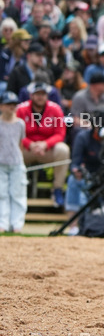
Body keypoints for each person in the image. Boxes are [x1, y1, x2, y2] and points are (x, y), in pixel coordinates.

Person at [17, 80, 70, 207]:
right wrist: (31, 144)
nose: (40, 97)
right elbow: (16, 133)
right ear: (31, 95)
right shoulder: (21, 109)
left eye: (43, 94)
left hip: (47, 149)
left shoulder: (55, 109)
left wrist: (45, 144)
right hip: (26, 148)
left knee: (63, 150)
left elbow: (60, 134)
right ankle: (14, 190)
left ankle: (57, 189)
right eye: (37, 94)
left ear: (47, 95)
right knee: (9, 149)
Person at [0, 91, 27, 233]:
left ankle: (17, 224)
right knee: (1, 193)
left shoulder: (20, 124)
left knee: (17, 194)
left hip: (16, 163)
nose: (11, 107)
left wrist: (19, 160)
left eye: (13, 104)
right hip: (1, 163)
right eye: (8, 104)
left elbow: (20, 144)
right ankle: (2, 223)